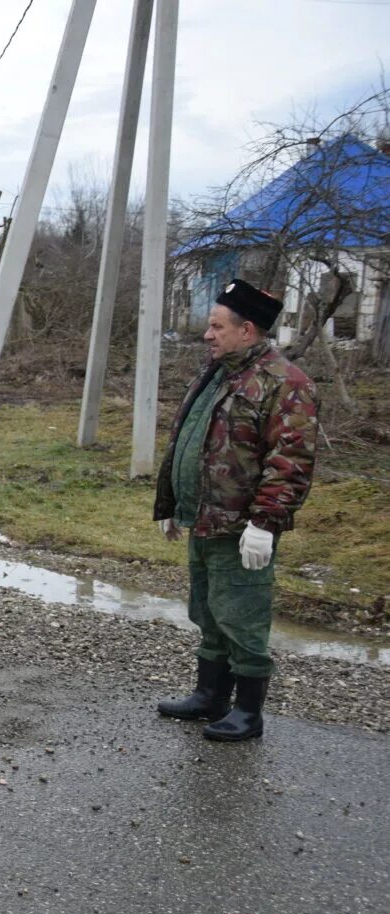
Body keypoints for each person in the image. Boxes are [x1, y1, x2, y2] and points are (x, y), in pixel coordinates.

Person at [154, 279, 317, 742]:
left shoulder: (284, 382)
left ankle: (248, 712)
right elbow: (190, 437)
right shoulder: (219, 371)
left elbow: (291, 460)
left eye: (216, 326)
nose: (208, 334)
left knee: (242, 616)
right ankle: (210, 696)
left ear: (247, 330)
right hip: (204, 518)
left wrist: (265, 523)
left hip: (242, 526)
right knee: (207, 610)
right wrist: (173, 500)